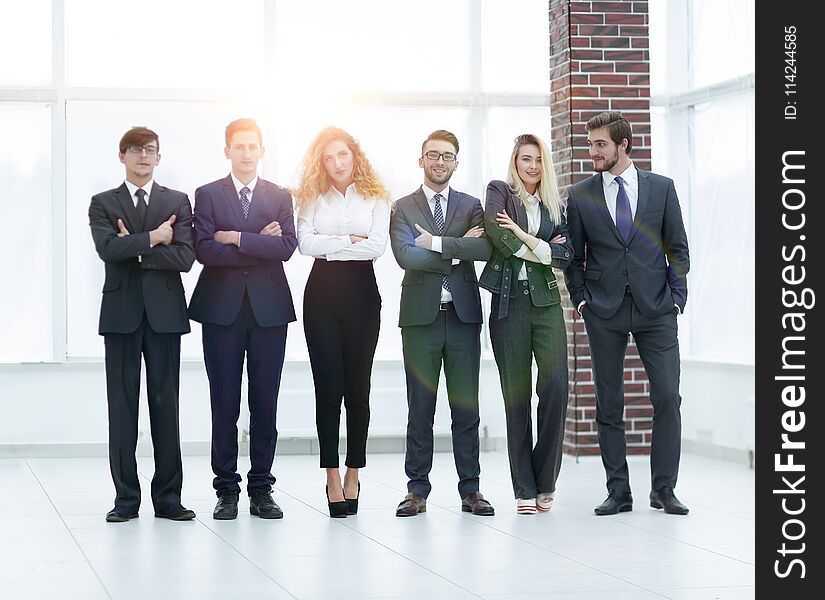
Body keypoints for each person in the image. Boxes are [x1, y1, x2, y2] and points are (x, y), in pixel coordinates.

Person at [563, 111, 690, 516]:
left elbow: (678, 248)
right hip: (603, 310)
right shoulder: (581, 195)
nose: (592, 152)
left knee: (668, 397)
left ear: (624, 145)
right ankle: (618, 490)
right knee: (608, 403)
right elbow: (573, 257)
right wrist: (581, 300)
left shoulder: (662, 189)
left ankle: (663, 490)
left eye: (600, 144)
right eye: (590, 144)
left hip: (657, 311)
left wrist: (676, 298)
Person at [189, 118, 298, 520]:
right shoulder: (208, 195)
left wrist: (234, 237)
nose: (246, 152)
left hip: (269, 311)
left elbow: (286, 247)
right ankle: (226, 489)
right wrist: (259, 243)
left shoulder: (280, 195)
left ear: (262, 150)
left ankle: (261, 488)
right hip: (221, 311)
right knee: (224, 402)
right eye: (239, 146)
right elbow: (204, 250)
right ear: (227, 150)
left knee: (265, 401)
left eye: (253, 146)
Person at [88, 126, 196, 523]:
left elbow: (185, 258)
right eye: (135, 150)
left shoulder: (178, 201)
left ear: (159, 157)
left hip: (165, 317)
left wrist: (134, 247)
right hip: (121, 318)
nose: (143, 157)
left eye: (151, 150)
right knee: (122, 408)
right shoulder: (103, 203)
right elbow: (106, 249)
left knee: (166, 407)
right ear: (122, 156)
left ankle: (169, 498)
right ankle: (126, 500)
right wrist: (154, 237)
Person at [390, 130, 494, 517]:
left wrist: (433, 243)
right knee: (421, 407)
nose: (439, 162)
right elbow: (405, 256)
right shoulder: (402, 207)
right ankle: (416, 489)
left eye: (447, 156)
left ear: (456, 162)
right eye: (432, 155)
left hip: (463, 317)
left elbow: (482, 248)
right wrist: (455, 246)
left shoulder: (471, 205)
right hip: (420, 320)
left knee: (466, 408)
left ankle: (471, 489)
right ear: (421, 160)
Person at [295, 126, 390, 518]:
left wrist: (330, 244)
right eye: (329, 157)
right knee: (328, 390)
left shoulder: (377, 196)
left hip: (363, 298)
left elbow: (378, 246)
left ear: (355, 155)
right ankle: (331, 474)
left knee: (358, 392)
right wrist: (349, 242)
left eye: (343, 155)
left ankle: (354, 471)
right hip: (320, 298)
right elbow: (304, 244)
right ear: (321, 162)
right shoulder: (311, 196)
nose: (337, 163)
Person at [478, 133, 573, 515]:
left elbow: (566, 256)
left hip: (548, 304)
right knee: (516, 397)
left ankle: (545, 480)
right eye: (525, 159)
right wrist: (541, 248)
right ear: (515, 162)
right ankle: (524, 488)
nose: (532, 166)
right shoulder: (499, 191)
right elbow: (497, 236)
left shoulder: (554, 206)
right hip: (509, 305)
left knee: (557, 389)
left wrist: (521, 234)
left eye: (537, 160)